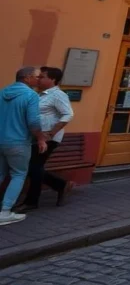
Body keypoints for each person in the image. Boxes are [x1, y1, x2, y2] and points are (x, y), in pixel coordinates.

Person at [21, 67, 74, 210]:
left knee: (34, 167)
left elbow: (68, 114)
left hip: (48, 139)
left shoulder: (58, 95)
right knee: (32, 167)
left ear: (53, 80)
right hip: (35, 137)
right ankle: (61, 185)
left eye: (42, 77)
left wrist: (50, 134)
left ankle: (32, 202)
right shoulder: (40, 95)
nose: (38, 79)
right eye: (38, 77)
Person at [1, 67, 48, 225]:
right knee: (18, 174)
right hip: (18, 142)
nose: (39, 79)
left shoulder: (3, 92)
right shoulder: (30, 95)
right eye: (37, 76)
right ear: (27, 78)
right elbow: (33, 122)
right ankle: (5, 211)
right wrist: (41, 138)